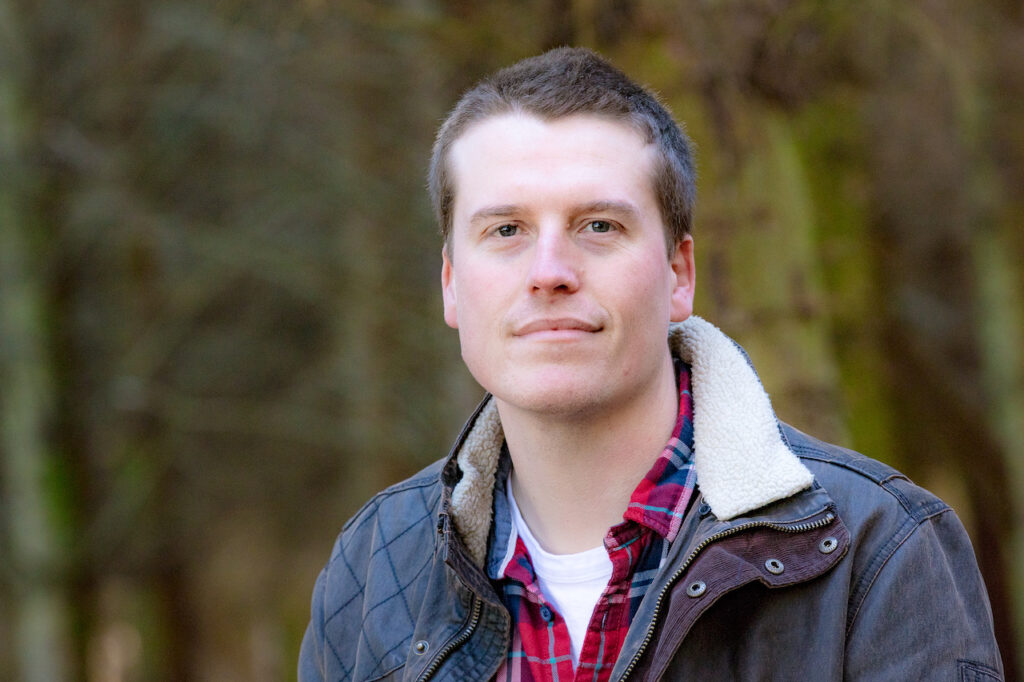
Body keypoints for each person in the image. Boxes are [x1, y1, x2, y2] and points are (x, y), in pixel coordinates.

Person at [299, 47, 1003, 681]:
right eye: (507, 229)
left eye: (598, 226)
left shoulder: (881, 551)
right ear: (452, 283)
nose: (549, 271)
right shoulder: (372, 567)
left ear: (678, 274)